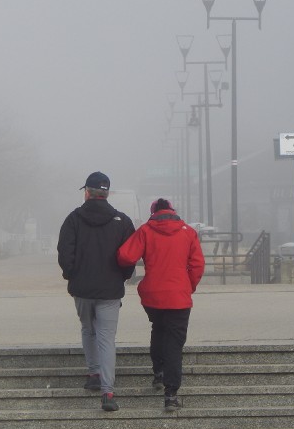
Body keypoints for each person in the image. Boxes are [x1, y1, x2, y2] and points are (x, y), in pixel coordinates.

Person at [116, 198, 204, 411]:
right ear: (173, 210)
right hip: (179, 296)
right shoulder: (188, 232)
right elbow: (197, 265)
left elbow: (125, 256)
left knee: (159, 328)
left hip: (153, 295)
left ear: (153, 212)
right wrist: (187, 285)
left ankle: (159, 372)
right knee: (174, 343)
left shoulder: (146, 231)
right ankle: (171, 393)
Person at [57, 171, 135, 411]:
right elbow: (129, 257)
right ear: (107, 193)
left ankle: (93, 374)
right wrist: (120, 277)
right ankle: (107, 392)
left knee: (88, 329)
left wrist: (72, 275)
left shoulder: (73, 219)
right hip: (110, 290)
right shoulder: (122, 221)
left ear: (87, 192)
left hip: (82, 288)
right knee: (106, 338)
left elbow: (64, 253)